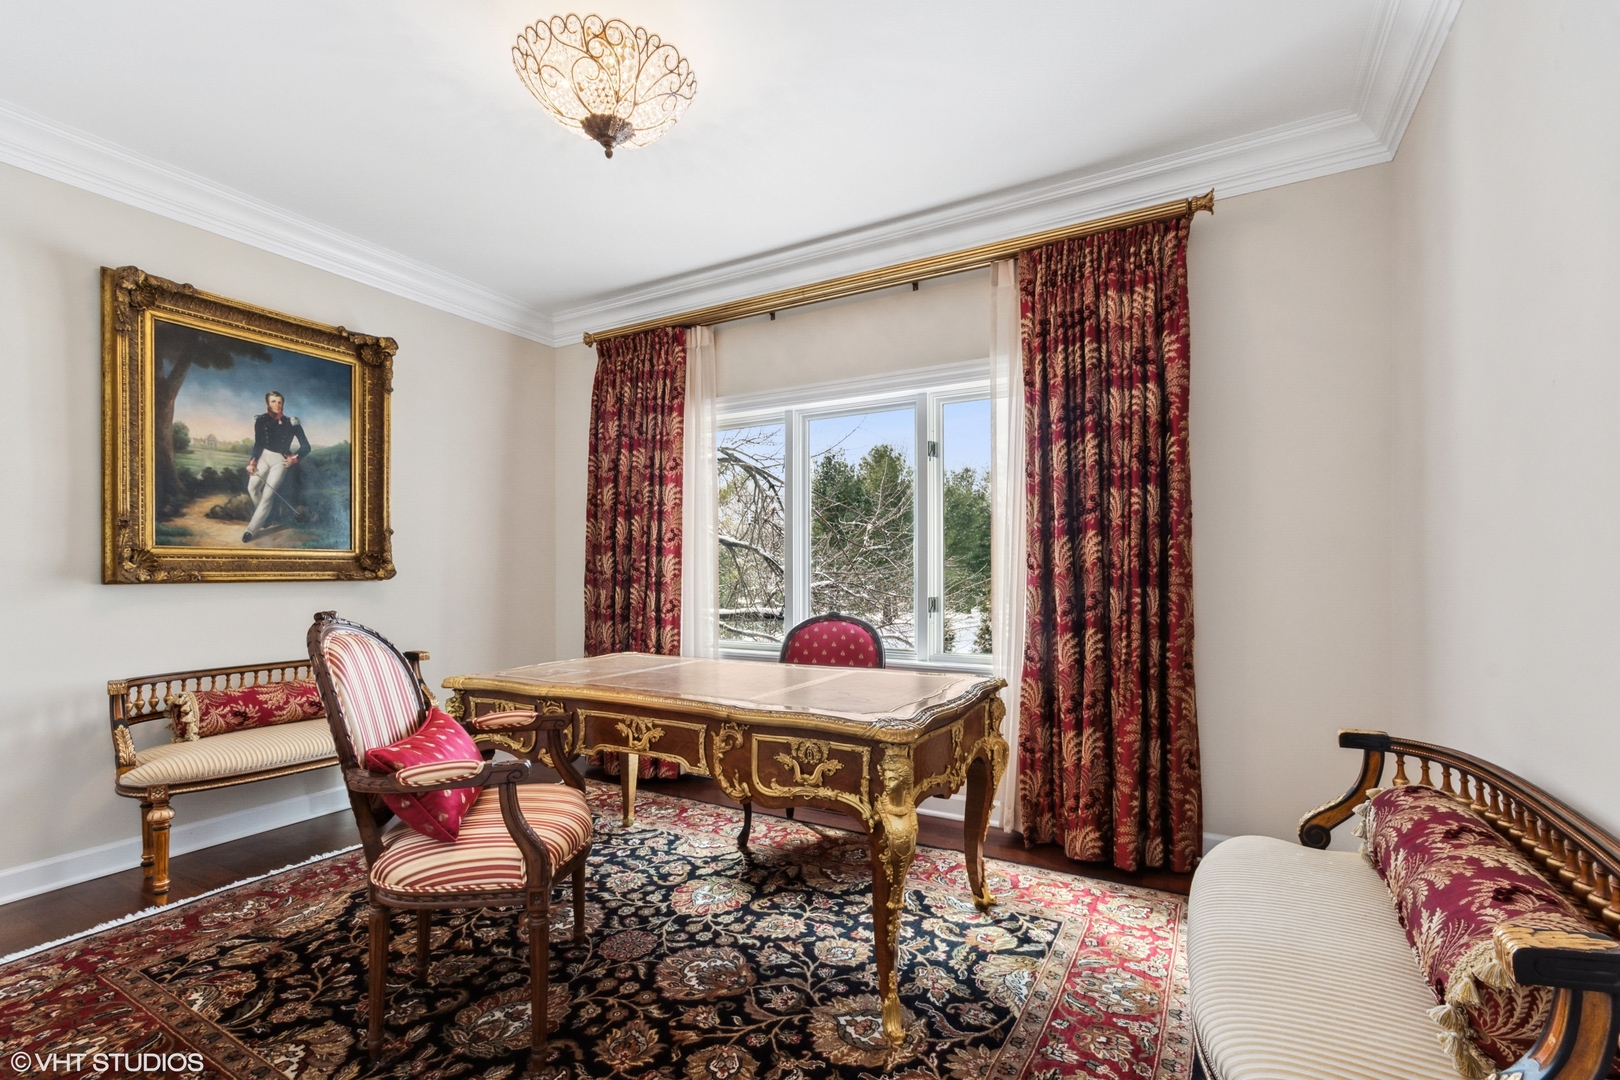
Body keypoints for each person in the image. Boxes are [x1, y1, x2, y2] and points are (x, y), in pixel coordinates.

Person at [244, 391, 310, 542]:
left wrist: (293, 459)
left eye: (280, 402)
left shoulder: (292, 422)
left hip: (280, 461)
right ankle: (266, 517)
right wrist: (253, 462)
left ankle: (251, 530)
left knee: (268, 494)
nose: (277, 405)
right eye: (273, 401)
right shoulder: (260, 420)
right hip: (263, 457)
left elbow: (306, 447)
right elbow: (258, 443)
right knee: (252, 488)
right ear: (267, 403)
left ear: (283, 404)